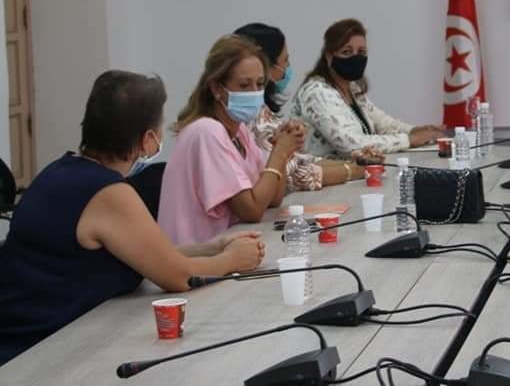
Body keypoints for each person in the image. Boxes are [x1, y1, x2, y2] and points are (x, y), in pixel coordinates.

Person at [0, 71, 264, 366]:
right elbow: (178, 277)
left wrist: (212, 248)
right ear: (148, 139)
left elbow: (145, 255)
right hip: (35, 356)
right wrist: (232, 260)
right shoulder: (107, 193)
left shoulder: (60, 171)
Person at [158, 35, 305, 245]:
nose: (254, 93)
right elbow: (252, 210)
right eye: (244, 85)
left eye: (260, 84)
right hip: (198, 257)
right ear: (216, 88)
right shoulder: (206, 132)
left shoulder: (239, 131)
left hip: (228, 249)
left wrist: (281, 151)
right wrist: (280, 153)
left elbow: (272, 199)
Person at [234, 23, 379, 191]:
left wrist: (354, 163)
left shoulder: (262, 112)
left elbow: (300, 160)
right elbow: (295, 175)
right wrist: (353, 170)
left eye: (361, 51)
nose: (288, 67)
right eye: (285, 60)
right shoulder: (315, 92)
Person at [291, 18, 444, 157]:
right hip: (323, 176)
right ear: (329, 56)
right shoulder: (316, 93)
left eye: (361, 52)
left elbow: (383, 123)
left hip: (355, 173)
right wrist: (409, 140)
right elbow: (350, 144)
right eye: (347, 52)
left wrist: (416, 131)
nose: (355, 57)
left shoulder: (353, 89)